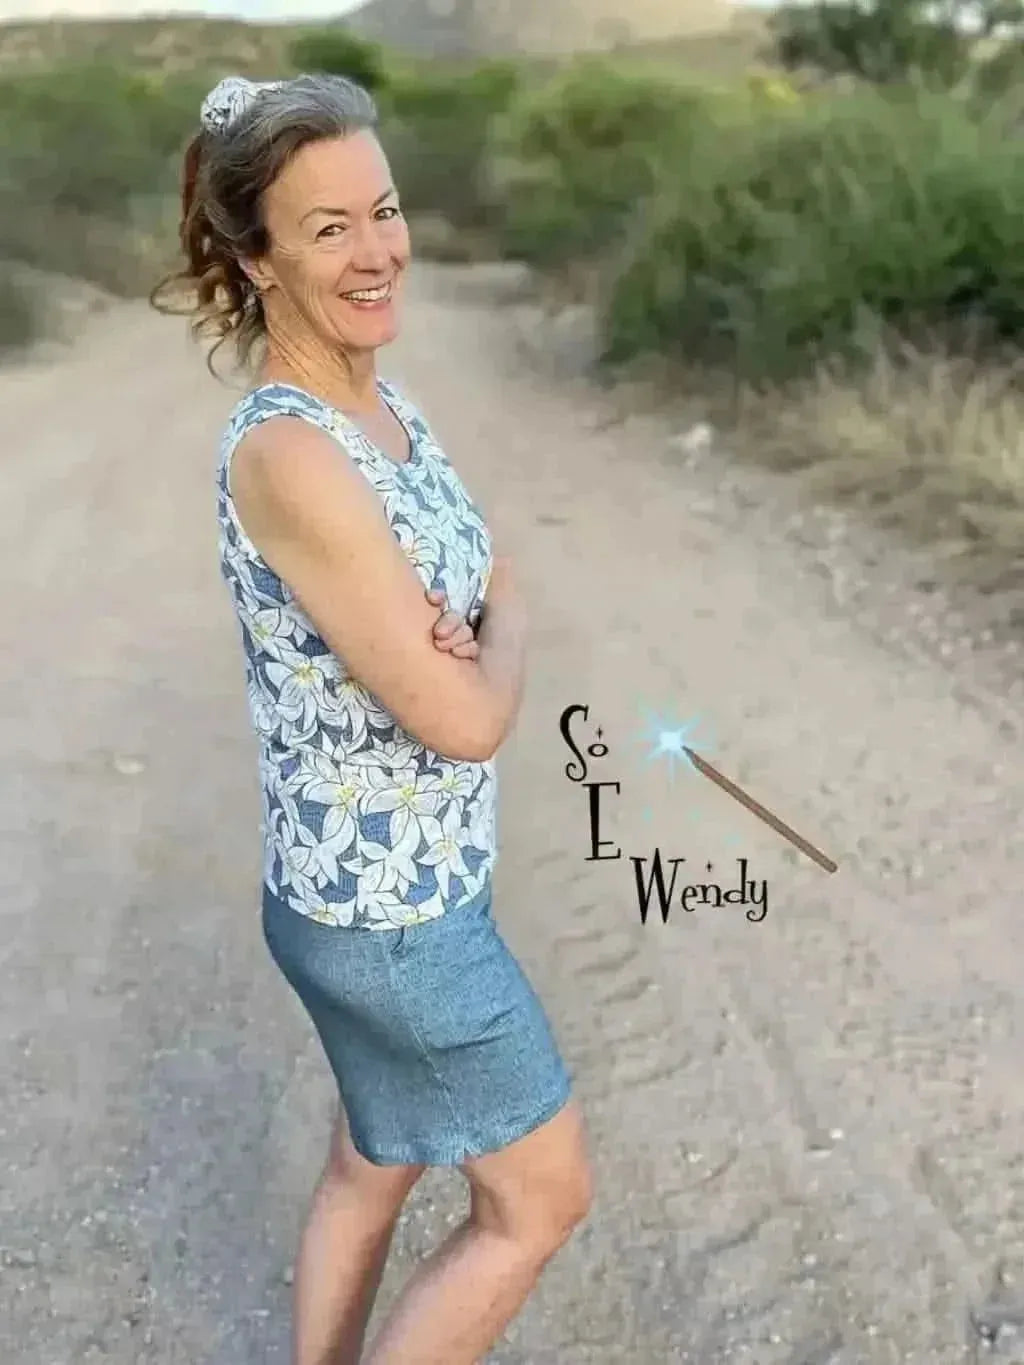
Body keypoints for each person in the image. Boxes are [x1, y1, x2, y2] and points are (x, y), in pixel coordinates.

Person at [150, 73, 592, 1365]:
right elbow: (466, 710)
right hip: (394, 924)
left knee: (374, 1158)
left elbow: (486, 576)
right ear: (256, 256)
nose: (377, 246)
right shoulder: (291, 451)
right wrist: (495, 648)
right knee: (541, 1201)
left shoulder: (383, 406)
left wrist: (478, 625)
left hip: (377, 894)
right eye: (328, 225)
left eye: (383, 209)